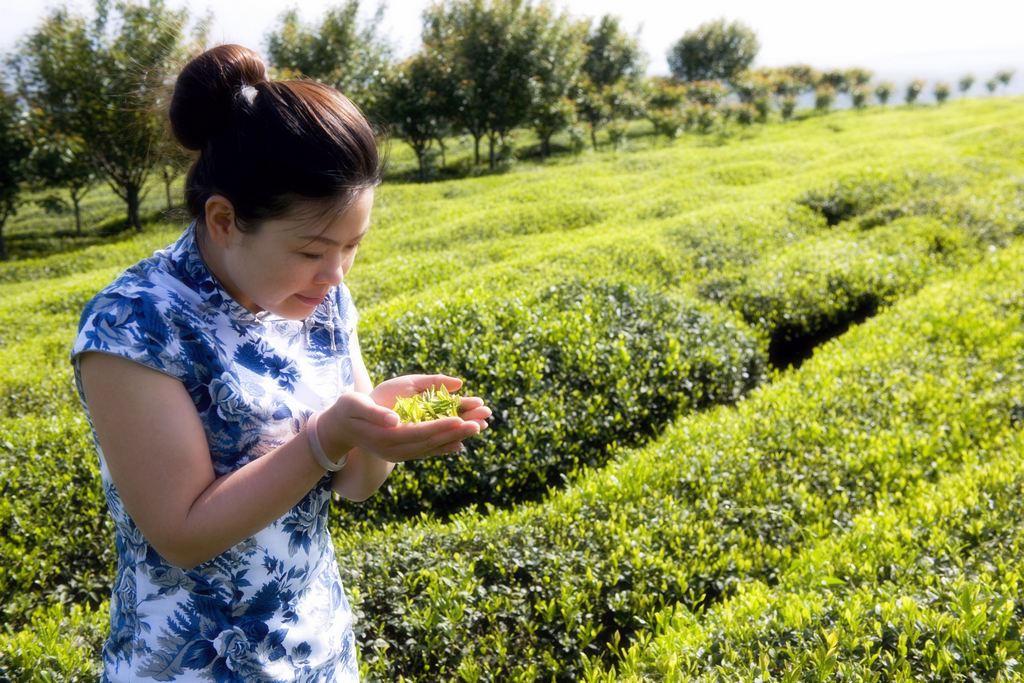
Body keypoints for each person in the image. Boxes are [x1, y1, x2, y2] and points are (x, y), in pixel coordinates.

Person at [69, 43, 491, 681]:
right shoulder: (133, 324)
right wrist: (324, 438)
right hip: (188, 665)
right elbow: (181, 533)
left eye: (352, 247)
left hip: (314, 648)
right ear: (224, 220)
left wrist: (376, 427)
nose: (335, 273)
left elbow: (353, 485)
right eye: (313, 250)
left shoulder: (321, 299)